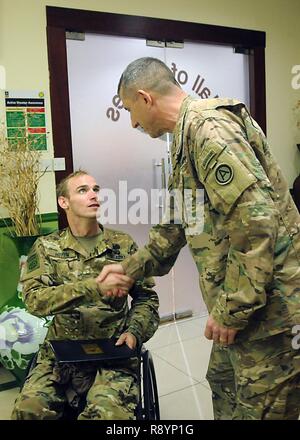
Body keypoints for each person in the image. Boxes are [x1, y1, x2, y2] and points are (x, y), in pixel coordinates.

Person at [98, 57, 300, 420]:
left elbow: (257, 225)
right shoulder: (184, 138)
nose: (132, 123)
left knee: (262, 408)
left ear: (146, 98)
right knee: (223, 382)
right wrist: (130, 269)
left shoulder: (208, 130)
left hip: (269, 309)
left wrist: (230, 311)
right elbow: (177, 223)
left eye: (130, 110)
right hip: (241, 304)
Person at [11, 170, 159, 420]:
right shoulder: (47, 247)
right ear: (63, 202)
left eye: (96, 189)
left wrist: (134, 331)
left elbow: (146, 298)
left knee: (107, 415)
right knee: (27, 412)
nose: (93, 195)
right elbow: (35, 299)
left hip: (112, 354)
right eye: (83, 190)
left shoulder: (122, 244)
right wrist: (94, 287)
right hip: (59, 356)